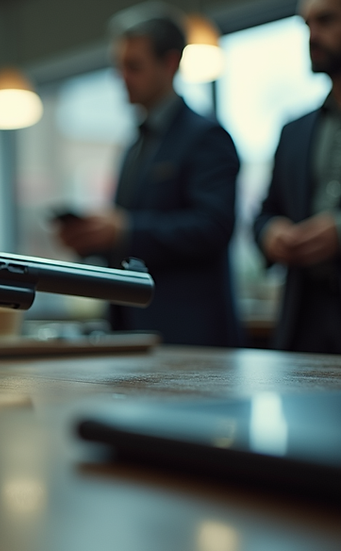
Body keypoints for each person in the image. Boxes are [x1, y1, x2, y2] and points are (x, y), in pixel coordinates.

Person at [56, 7, 241, 347]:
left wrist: (124, 230)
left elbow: (213, 227)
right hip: (131, 328)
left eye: (134, 66)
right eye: (119, 66)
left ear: (170, 64)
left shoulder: (206, 137)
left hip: (191, 335)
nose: (121, 77)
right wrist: (94, 238)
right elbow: (127, 237)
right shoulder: (134, 146)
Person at [253, 0, 341, 353]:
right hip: (304, 323)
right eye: (306, 25)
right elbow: (263, 213)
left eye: (325, 20)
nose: (312, 35)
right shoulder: (293, 132)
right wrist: (271, 233)